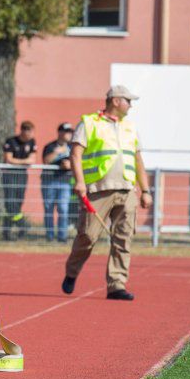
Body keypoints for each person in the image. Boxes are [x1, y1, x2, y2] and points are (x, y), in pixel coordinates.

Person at [62, 85, 152, 301]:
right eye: (128, 101)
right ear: (116, 101)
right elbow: (75, 155)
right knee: (88, 236)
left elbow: (138, 160)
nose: (131, 105)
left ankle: (117, 285)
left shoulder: (130, 127)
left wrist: (145, 190)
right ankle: (72, 272)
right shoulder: (89, 123)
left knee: (123, 238)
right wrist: (80, 183)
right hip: (98, 190)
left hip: (126, 190)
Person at [1, 121, 37, 240]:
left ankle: (7, 234)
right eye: (29, 131)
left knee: (17, 203)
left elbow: (32, 160)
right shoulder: (11, 141)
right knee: (10, 203)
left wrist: (18, 162)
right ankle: (23, 225)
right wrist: (24, 162)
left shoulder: (32, 142)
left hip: (22, 176)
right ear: (23, 131)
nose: (31, 134)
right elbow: (8, 159)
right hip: (9, 176)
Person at [41, 122, 75, 242]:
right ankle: (49, 236)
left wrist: (69, 165)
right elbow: (46, 161)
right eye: (66, 132)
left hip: (65, 182)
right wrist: (58, 152)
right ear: (60, 133)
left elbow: (78, 162)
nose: (69, 134)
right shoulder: (50, 146)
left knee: (63, 209)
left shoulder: (72, 147)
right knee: (49, 208)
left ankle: (62, 236)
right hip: (49, 181)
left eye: (70, 132)